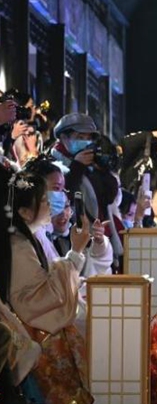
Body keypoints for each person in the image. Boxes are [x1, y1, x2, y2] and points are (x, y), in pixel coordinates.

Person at [1, 170, 93, 403]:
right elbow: (42, 299)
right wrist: (76, 252)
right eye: (43, 200)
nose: (50, 204)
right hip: (38, 338)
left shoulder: (25, 239)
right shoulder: (18, 246)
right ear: (24, 212)